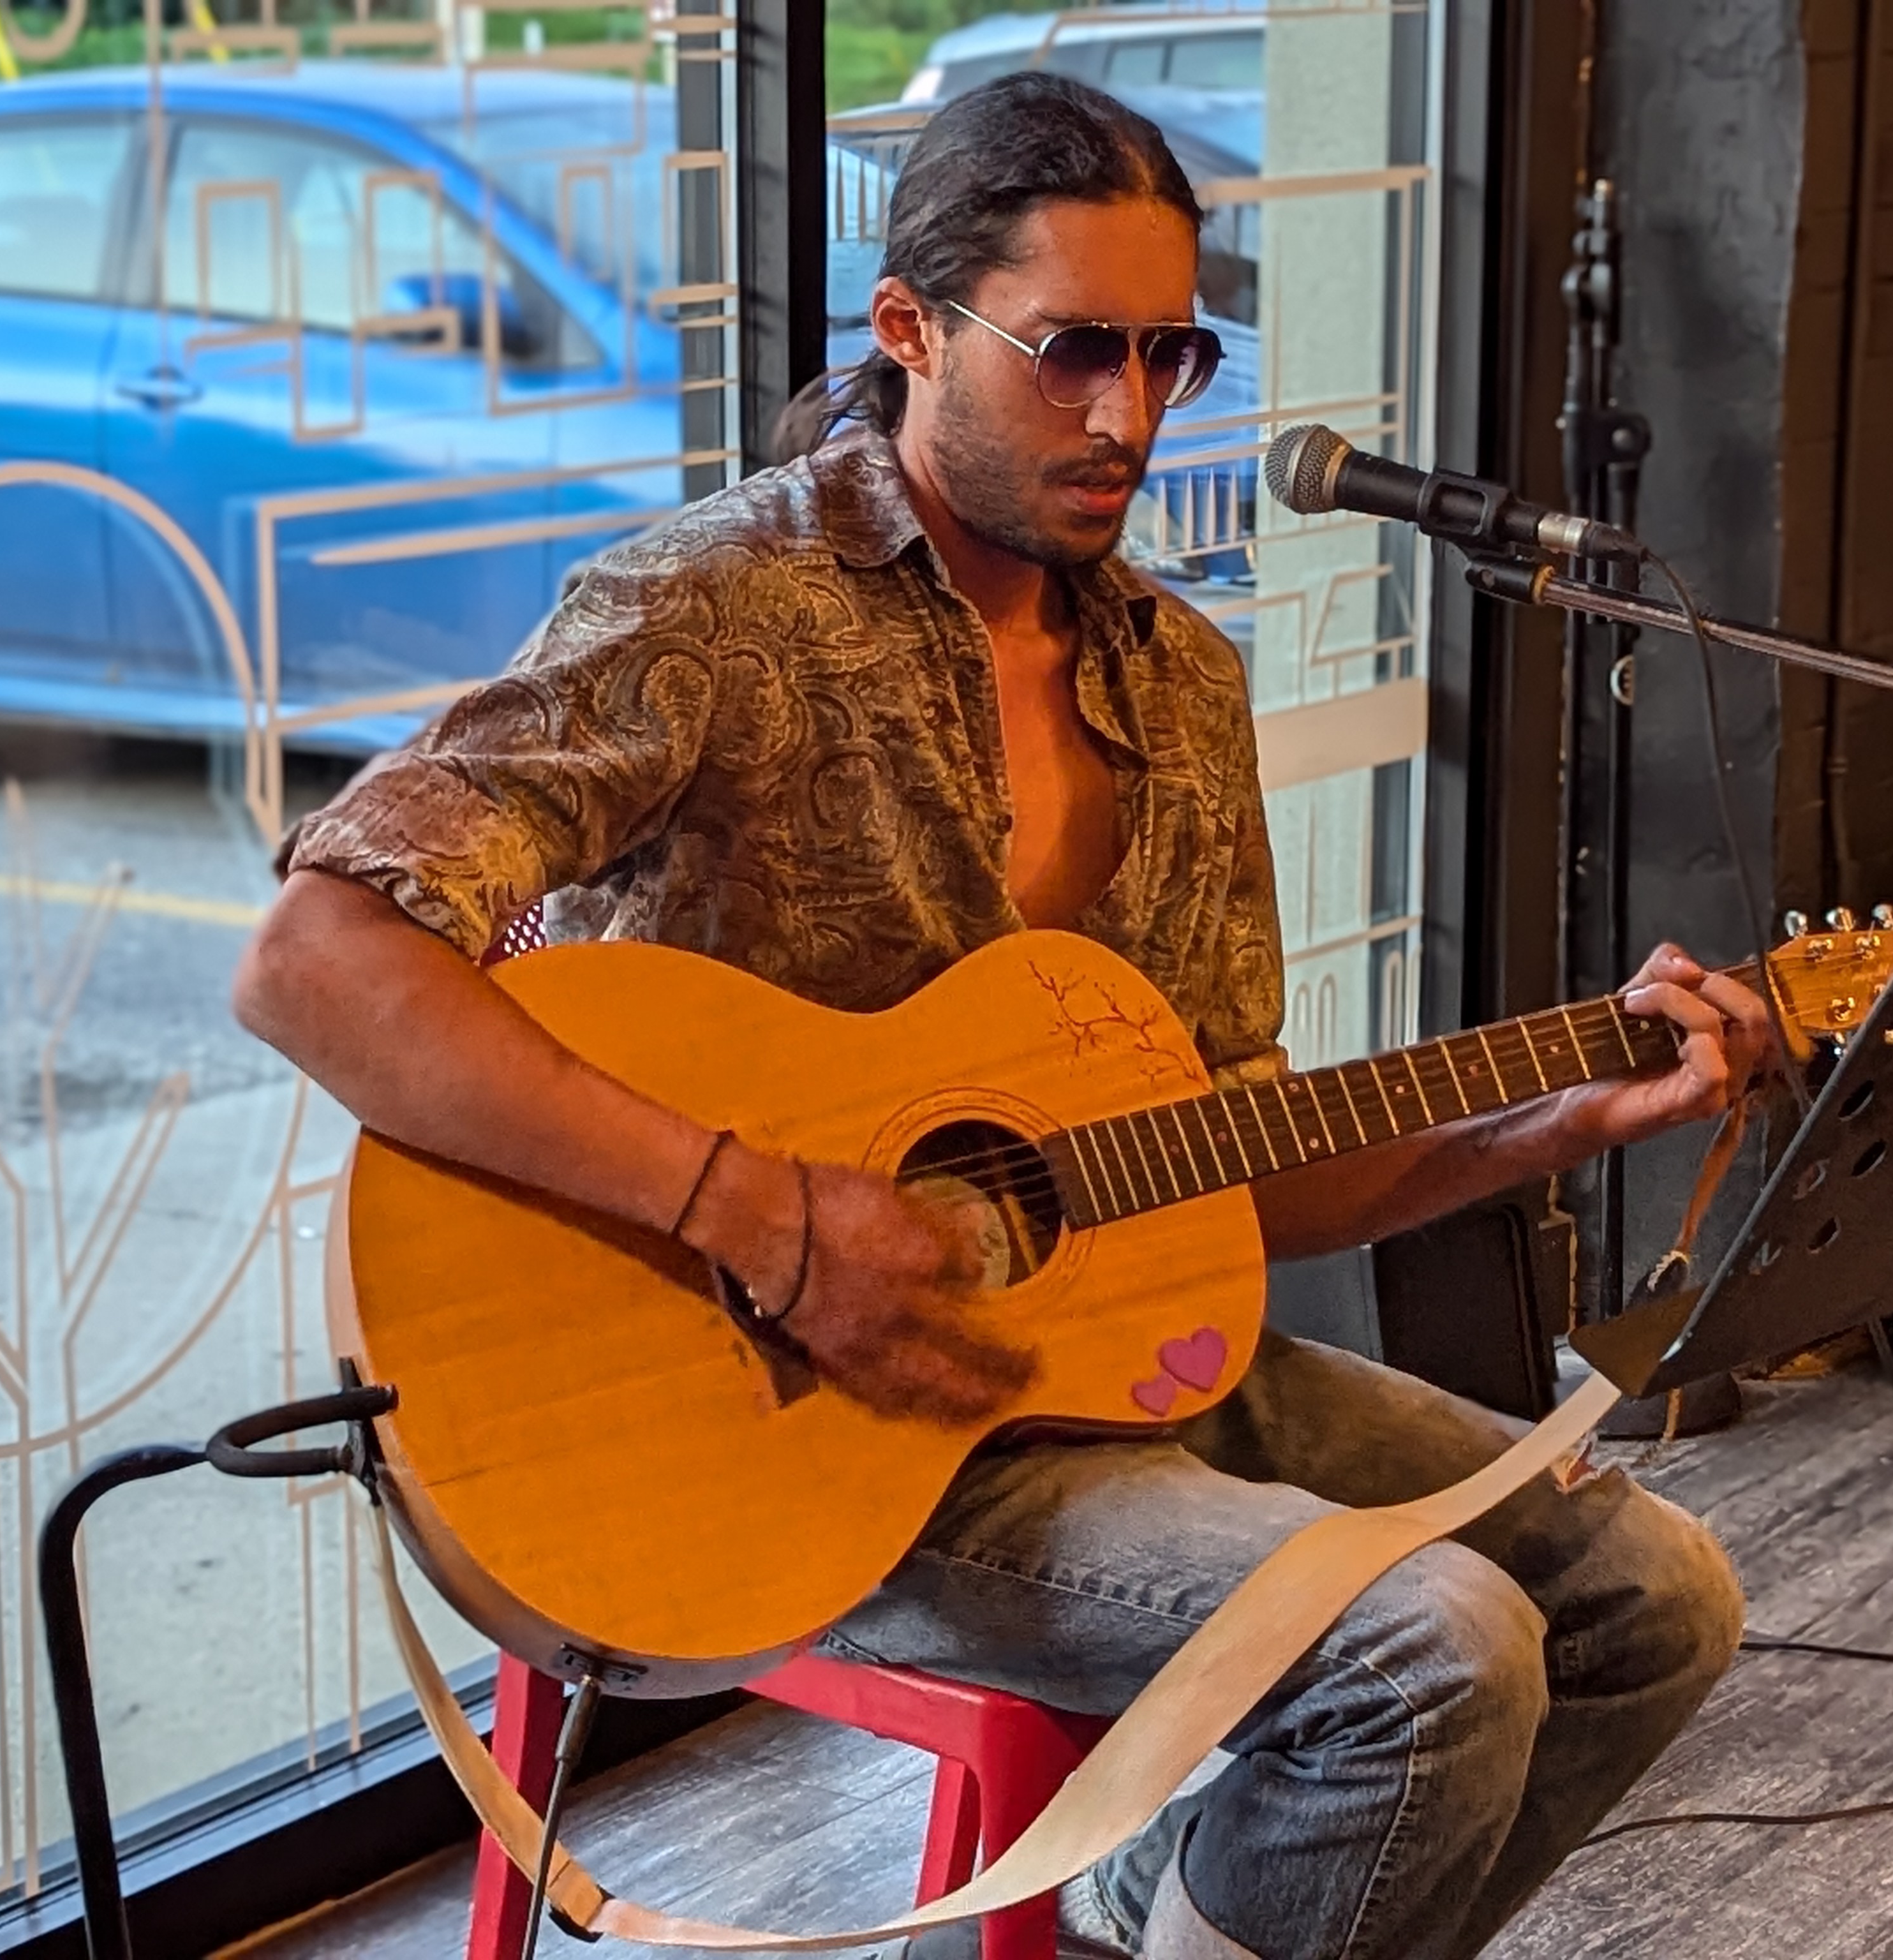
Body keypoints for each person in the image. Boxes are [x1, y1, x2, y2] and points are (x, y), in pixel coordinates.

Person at [234, 73, 1760, 1960]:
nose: (1125, 416)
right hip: (783, 1429)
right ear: (909, 333)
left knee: (1653, 1592)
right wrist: (769, 1215)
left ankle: (1158, 1908)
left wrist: (1553, 1116)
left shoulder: (1177, 682)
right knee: (1426, 1651)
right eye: (1068, 354)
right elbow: (314, 958)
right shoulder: (715, 616)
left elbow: (1240, 1155)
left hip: (1098, 1363)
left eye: (1168, 355)